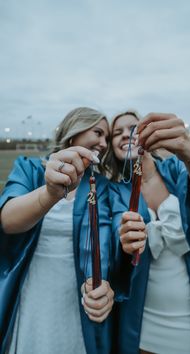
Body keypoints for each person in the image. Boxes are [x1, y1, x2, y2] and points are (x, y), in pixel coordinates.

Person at [106, 111, 190, 354]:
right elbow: (113, 243)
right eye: (116, 133)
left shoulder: (176, 168)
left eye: (132, 128)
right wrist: (124, 239)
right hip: (142, 319)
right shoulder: (116, 191)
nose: (125, 135)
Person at [0, 107, 114, 354]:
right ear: (74, 132)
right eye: (98, 132)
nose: (104, 143)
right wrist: (50, 192)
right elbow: (8, 221)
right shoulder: (30, 168)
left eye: (107, 137)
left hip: (75, 293)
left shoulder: (100, 185)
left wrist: (101, 283)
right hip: (33, 285)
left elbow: (102, 239)